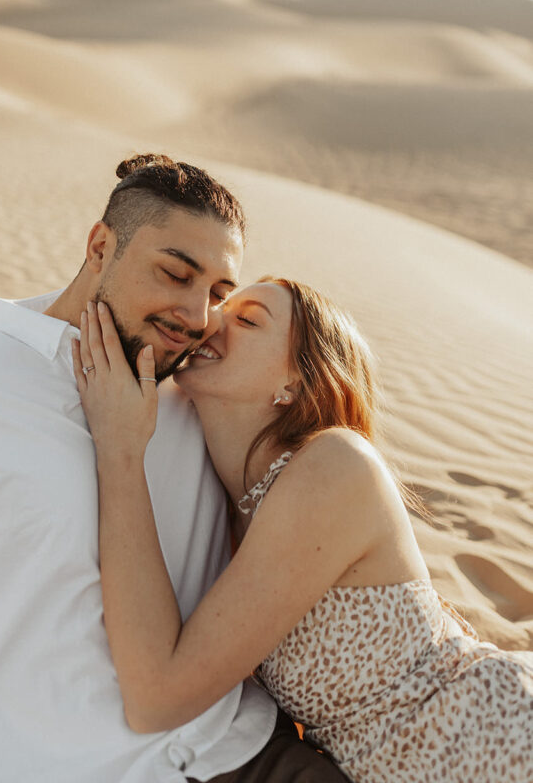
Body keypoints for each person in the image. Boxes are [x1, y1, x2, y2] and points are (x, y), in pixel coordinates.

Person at [0, 154, 345, 783]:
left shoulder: (205, 394)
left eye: (219, 294)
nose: (196, 316)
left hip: (247, 759)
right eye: (174, 273)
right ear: (100, 246)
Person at [74, 277, 533, 783]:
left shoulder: (334, 465)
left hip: (500, 741)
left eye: (247, 320)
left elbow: (157, 699)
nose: (213, 320)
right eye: (222, 309)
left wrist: (120, 450)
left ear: (294, 383)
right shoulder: (234, 508)